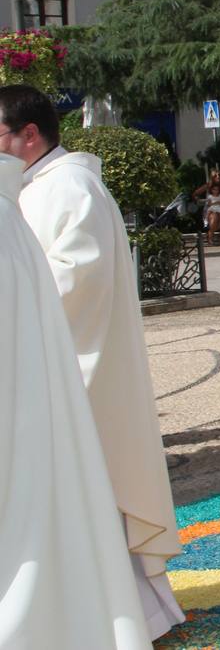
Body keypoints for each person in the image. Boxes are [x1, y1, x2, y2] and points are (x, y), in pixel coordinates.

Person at [0, 85, 186, 638]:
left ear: (29, 135)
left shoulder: (70, 187)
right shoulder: (36, 188)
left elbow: (75, 279)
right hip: (57, 362)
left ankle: (120, 615)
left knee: (89, 500)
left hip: (76, 366)